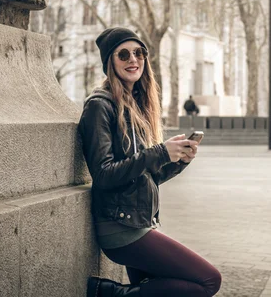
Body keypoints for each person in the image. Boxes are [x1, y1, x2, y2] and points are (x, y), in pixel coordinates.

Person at [78, 27, 221, 297]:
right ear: (110, 61)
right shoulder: (100, 105)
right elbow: (105, 174)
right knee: (209, 281)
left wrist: (177, 159)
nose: (133, 59)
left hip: (140, 222)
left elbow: (146, 176)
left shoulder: (135, 105)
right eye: (123, 54)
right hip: (120, 228)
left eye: (139, 52)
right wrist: (160, 152)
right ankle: (109, 293)